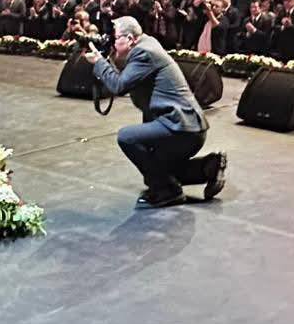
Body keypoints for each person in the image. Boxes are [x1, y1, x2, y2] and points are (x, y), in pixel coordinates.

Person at [84, 16, 226, 209]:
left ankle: (168, 192)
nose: (112, 41)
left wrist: (99, 63)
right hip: (186, 126)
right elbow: (125, 77)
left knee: (127, 137)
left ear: (130, 39)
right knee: (156, 168)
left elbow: (118, 86)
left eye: (115, 38)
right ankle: (208, 167)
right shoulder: (146, 44)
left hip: (181, 127)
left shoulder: (143, 53)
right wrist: (107, 58)